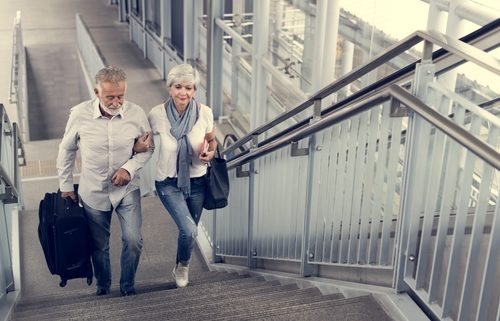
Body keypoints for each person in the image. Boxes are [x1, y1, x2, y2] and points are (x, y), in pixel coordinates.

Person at [56, 66, 153, 296]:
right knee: (100, 247)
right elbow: (66, 150)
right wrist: (66, 185)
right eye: (110, 96)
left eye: (121, 95)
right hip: (94, 191)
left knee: (133, 240)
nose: (117, 101)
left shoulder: (136, 113)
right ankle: (104, 286)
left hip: (126, 190)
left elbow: (148, 148)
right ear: (96, 92)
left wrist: (129, 169)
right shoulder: (79, 114)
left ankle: (127, 286)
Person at [135, 63, 216, 288]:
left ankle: (180, 262)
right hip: (168, 182)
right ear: (170, 88)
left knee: (188, 232)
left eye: (189, 88)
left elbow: (211, 139)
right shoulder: (157, 114)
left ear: (194, 91)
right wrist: (137, 149)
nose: (183, 93)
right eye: (178, 87)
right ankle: (184, 266)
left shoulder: (204, 113)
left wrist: (210, 151)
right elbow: (143, 140)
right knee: (189, 229)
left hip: (198, 180)